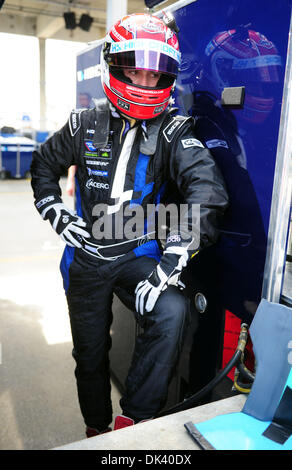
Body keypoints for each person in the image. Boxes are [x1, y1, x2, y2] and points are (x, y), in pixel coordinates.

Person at [30, 12, 228, 437]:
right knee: (90, 355)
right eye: (134, 72)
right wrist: (55, 211)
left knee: (172, 309)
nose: (144, 83)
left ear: (168, 80)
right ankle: (97, 431)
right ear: (113, 67)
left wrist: (176, 254)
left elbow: (207, 192)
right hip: (85, 256)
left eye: (155, 76)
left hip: (140, 252)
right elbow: (44, 165)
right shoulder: (82, 124)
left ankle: (134, 420)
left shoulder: (176, 132)